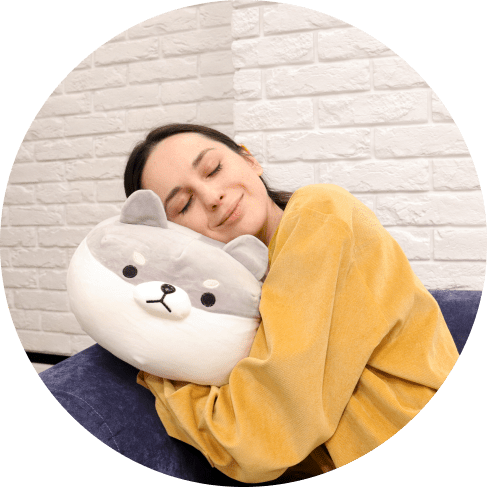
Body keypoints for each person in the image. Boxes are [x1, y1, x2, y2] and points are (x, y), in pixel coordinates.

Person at [124, 123, 459, 484]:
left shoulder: (319, 213)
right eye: (184, 204)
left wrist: (159, 375)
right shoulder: (236, 300)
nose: (212, 196)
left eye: (213, 169)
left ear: (249, 159)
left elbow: (256, 440)